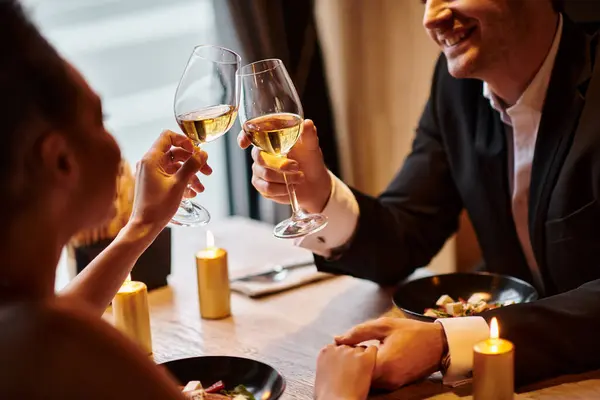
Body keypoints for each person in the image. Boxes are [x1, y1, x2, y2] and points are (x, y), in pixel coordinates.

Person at [0, 1, 377, 399]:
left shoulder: (23, 326)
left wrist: (143, 226)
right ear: (60, 159)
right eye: (101, 120)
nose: (116, 145)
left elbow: (58, 318)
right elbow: (60, 332)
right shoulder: (80, 350)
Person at [241, 0, 600, 392]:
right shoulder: (456, 88)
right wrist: (320, 192)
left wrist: (449, 340)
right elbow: (406, 235)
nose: (431, 17)